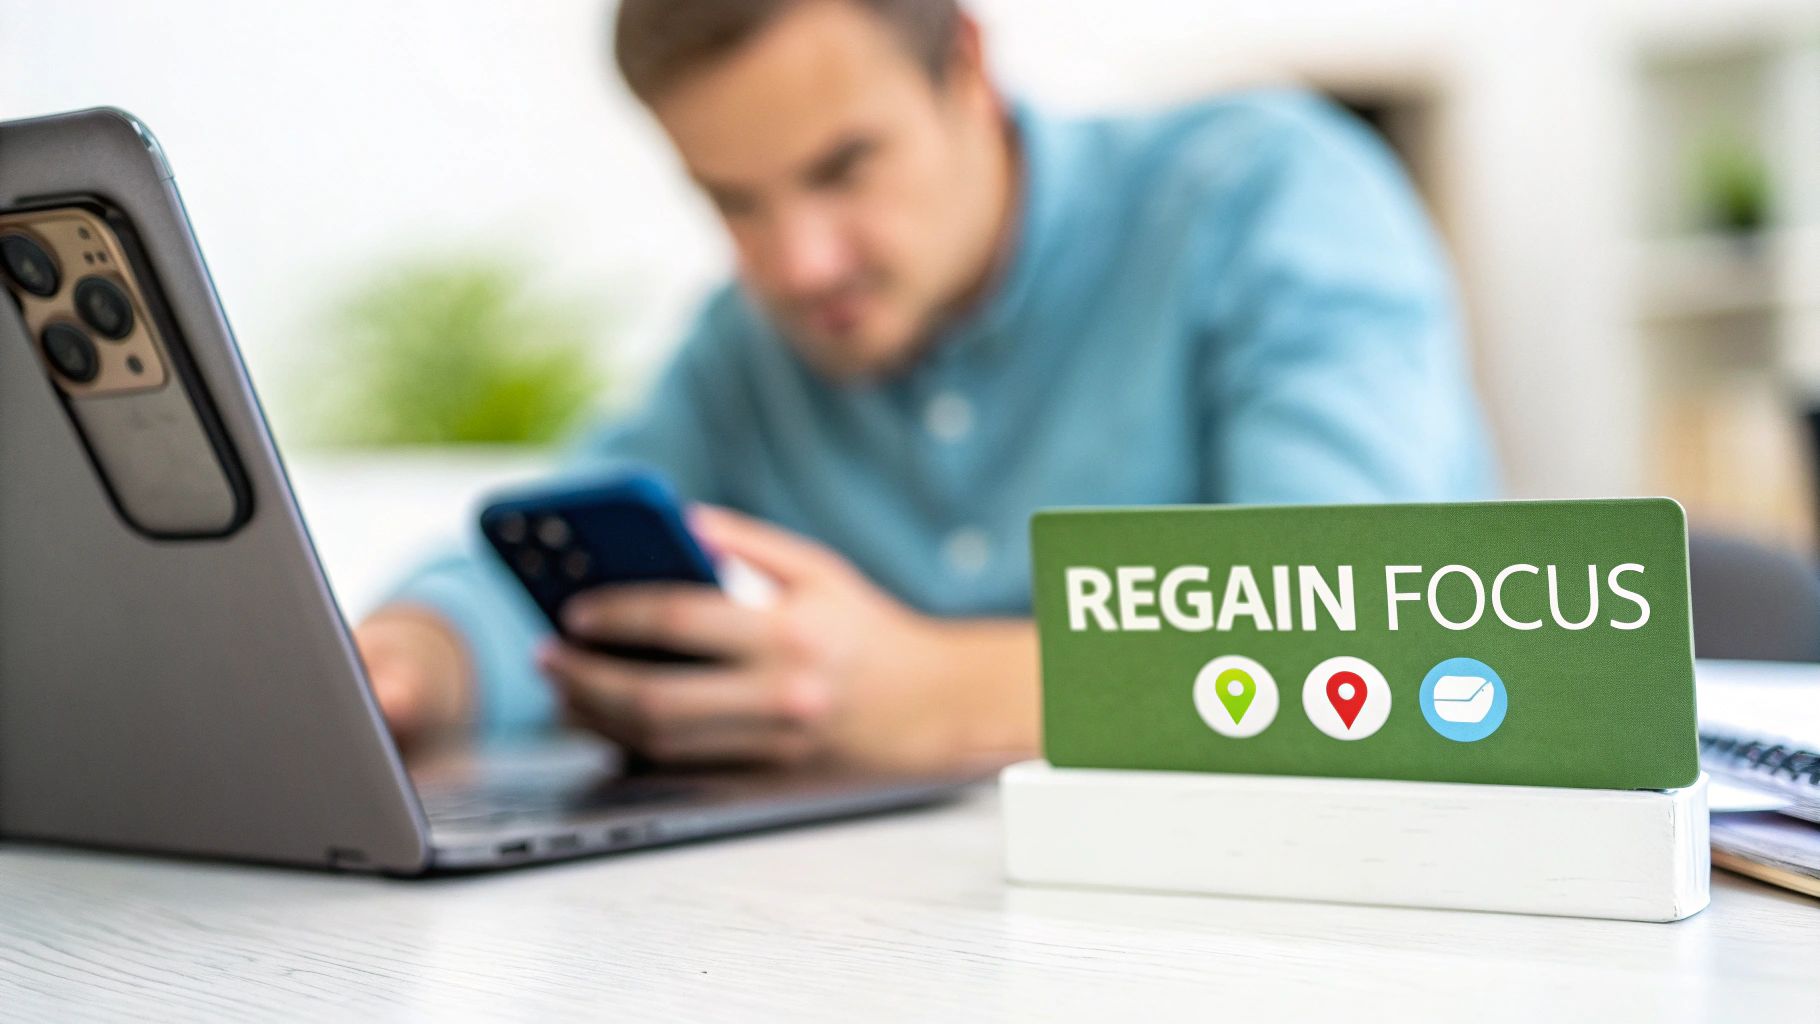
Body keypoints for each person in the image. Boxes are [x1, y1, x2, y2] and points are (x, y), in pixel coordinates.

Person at [354, 0, 1495, 772]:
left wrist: (925, 693)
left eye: (842, 167)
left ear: (965, 63)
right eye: (733, 202)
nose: (799, 263)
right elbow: (530, 566)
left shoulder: (1266, 198)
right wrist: (414, 661)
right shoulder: (743, 350)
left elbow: (1359, 636)